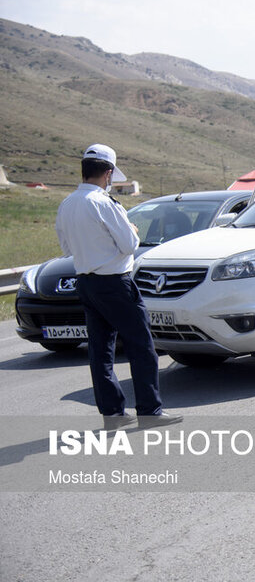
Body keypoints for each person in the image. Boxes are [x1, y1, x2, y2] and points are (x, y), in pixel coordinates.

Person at [56, 144, 181, 429]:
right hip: (114, 282)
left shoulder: (67, 204)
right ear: (108, 173)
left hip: (85, 282)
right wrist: (132, 230)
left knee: (100, 352)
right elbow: (129, 245)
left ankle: (112, 414)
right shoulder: (104, 203)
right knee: (142, 347)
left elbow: (66, 249)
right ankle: (149, 411)